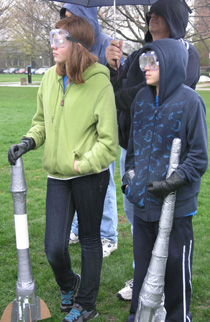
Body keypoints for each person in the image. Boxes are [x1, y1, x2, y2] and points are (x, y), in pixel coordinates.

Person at [8, 16, 118, 322]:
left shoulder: (100, 82)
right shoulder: (49, 78)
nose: (52, 45)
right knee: (54, 247)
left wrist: (81, 163)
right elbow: (41, 121)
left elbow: (109, 143)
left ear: (78, 45)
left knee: (89, 240)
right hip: (57, 177)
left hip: (89, 176)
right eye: (52, 38)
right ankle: (69, 283)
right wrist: (29, 141)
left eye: (59, 39)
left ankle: (87, 304)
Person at [105, 0, 200, 301]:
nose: (151, 17)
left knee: (169, 226)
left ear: (174, 18)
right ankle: (142, 275)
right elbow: (117, 96)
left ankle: (171, 285)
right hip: (134, 148)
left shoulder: (188, 54)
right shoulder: (136, 56)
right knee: (139, 218)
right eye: (150, 13)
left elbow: (174, 88)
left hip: (168, 154)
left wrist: (135, 95)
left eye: (160, 12)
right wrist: (113, 67)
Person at [122, 38, 208, 322]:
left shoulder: (191, 102)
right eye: (144, 61)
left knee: (175, 267)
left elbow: (198, 157)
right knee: (143, 267)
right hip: (142, 203)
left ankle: (178, 316)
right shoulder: (141, 99)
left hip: (177, 206)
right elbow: (132, 149)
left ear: (170, 63)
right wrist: (129, 180)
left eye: (152, 62)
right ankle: (140, 316)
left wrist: (171, 184)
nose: (145, 68)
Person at [60, 3, 123, 257]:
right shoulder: (67, 43)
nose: (67, 21)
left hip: (101, 124)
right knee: (77, 179)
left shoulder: (108, 44)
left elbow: (113, 86)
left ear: (85, 17)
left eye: (71, 16)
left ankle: (108, 235)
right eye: (64, 17)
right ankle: (78, 227)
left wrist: (112, 64)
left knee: (103, 180)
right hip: (77, 124)